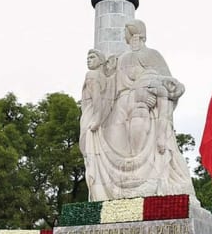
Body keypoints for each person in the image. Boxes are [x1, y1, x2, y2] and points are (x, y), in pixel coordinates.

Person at [81, 20, 197, 200]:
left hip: (144, 108)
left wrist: (153, 91)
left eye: (126, 31)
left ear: (134, 33)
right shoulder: (121, 59)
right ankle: (118, 189)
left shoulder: (152, 55)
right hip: (120, 106)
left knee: (140, 133)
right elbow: (112, 86)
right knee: (115, 139)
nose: (123, 35)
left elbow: (168, 84)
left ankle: (147, 182)